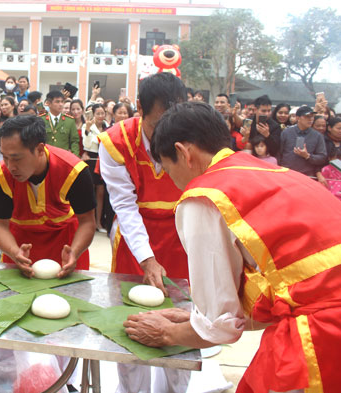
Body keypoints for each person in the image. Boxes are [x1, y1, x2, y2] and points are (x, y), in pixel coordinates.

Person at [126, 101, 341, 393]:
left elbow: (219, 327)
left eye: (166, 167)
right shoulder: (266, 171)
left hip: (324, 333)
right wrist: (193, 319)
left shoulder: (205, 197)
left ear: (183, 152)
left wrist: (168, 333)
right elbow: (292, 283)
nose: (170, 179)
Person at [98, 72, 191, 393]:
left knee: (182, 324)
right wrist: (148, 259)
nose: (166, 136)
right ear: (139, 108)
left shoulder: (193, 136)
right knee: (132, 327)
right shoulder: (115, 142)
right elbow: (124, 206)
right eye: (157, 125)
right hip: (135, 239)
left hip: (184, 235)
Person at [0, 115, 96, 274]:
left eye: (16, 158)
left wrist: (74, 251)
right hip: (20, 246)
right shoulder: (0, 174)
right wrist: (14, 252)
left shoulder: (74, 171)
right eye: (5, 157)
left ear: (39, 149)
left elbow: (87, 222)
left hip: (65, 245)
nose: (10, 166)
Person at [279, 106, 327, 177]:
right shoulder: (286, 132)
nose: (310, 119)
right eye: (307, 117)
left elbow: (323, 157)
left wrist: (307, 156)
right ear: (298, 118)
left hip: (307, 175)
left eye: (312, 117)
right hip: (287, 174)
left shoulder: (318, 136)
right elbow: (279, 153)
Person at [82, 103, 108, 233]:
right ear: (93, 114)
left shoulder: (107, 126)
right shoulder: (87, 126)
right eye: (97, 113)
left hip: (103, 159)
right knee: (89, 192)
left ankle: (99, 222)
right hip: (90, 159)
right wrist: (87, 130)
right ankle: (89, 223)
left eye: (102, 113)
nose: (100, 116)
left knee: (101, 192)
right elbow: (86, 144)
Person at [41, 90, 80, 157]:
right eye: (57, 102)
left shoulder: (69, 121)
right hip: (46, 158)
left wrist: (74, 157)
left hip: (63, 158)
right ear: (49, 103)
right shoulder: (41, 120)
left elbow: (74, 141)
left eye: (62, 102)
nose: (61, 104)